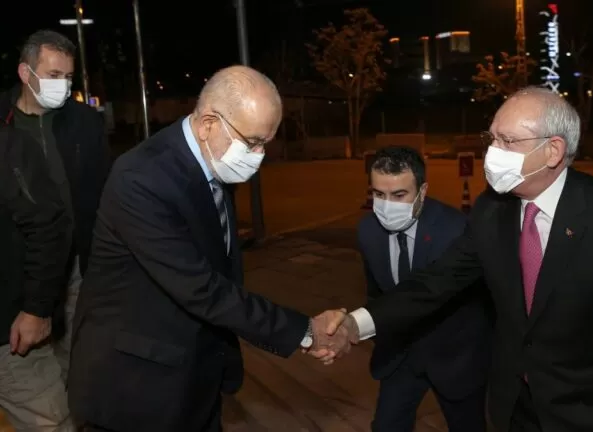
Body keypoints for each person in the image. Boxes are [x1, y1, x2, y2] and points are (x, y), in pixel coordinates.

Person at [320, 87, 593, 432]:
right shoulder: (492, 210)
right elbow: (435, 282)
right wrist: (356, 324)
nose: (492, 153)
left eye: (508, 141)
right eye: (491, 139)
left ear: (553, 150)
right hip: (515, 407)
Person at [67, 66, 350, 432]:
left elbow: (222, 266)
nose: (259, 155)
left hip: (195, 374)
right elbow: (201, 288)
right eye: (252, 142)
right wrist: (306, 331)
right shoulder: (142, 179)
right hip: (137, 387)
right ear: (208, 124)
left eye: (266, 143)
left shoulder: (213, 160)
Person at [0, 30, 112, 379]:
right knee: (26, 356)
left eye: (68, 77)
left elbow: (104, 190)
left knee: (77, 351)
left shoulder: (84, 121)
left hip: (75, 262)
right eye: (53, 75)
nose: (62, 85)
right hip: (15, 265)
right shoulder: (3, 122)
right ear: (25, 73)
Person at [359, 146, 492, 431]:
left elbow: (483, 301)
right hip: (400, 356)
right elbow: (376, 293)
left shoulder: (457, 230)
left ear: (422, 191)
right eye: (379, 194)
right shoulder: (368, 231)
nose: (387, 206)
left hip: (454, 359)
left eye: (399, 195)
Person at [0, 124, 74, 430]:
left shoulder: (8, 145)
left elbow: (47, 225)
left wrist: (36, 309)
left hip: (9, 341)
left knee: (49, 423)